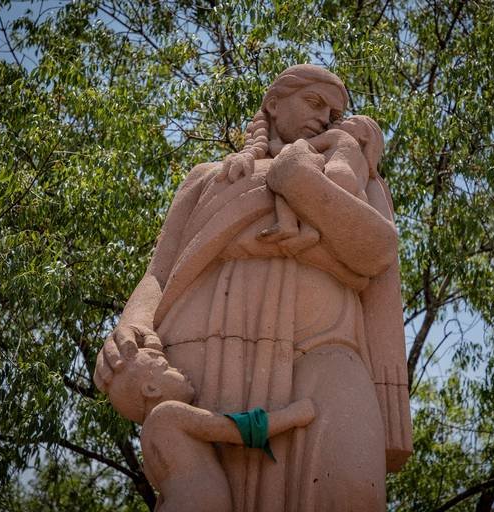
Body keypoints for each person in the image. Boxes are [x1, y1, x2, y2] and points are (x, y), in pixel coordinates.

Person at [95, 64, 411, 512]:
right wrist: (131, 325)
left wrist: (306, 174)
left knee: (352, 491)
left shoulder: (357, 184)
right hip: (209, 355)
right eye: (314, 102)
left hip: (325, 351)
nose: (325, 117)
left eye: (335, 113)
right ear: (274, 104)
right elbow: (160, 273)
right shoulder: (209, 177)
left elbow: (375, 254)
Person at [93, 345, 316, 512]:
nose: (178, 368)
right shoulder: (168, 413)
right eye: (167, 367)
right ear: (151, 389)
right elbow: (234, 430)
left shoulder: (147, 438)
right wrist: (291, 416)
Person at [256, 115, 385, 255]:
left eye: (351, 121)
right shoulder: (365, 164)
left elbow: (304, 145)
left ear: (364, 135)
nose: (343, 121)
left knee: (286, 178)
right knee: (315, 202)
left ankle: (287, 224)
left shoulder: (338, 135)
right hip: (359, 195)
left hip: (336, 172)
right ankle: (308, 230)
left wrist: (275, 146)